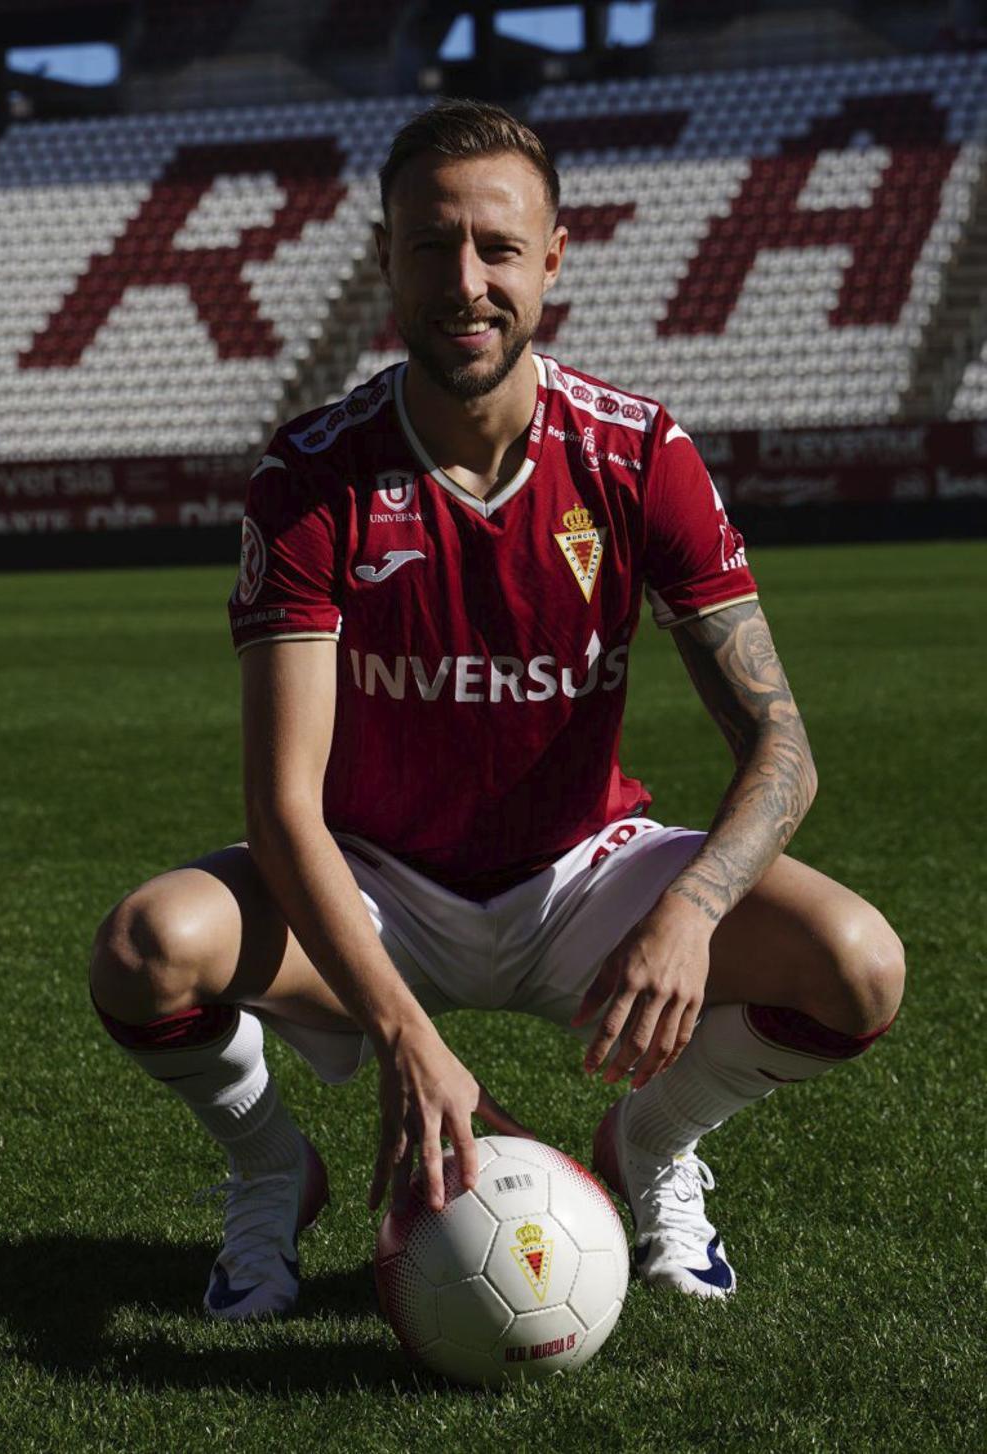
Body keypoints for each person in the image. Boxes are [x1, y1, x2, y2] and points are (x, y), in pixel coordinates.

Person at [89, 100, 905, 1318]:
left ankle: (654, 1145)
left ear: (554, 258)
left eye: (497, 248)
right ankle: (272, 1172)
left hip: (584, 872)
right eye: (430, 245)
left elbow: (780, 745)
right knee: (148, 949)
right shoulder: (313, 474)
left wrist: (691, 906)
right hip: (373, 877)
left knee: (861, 965)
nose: (464, 282)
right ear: (386, 260)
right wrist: (406, 1032)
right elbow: (282, 808)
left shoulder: (638, 454)